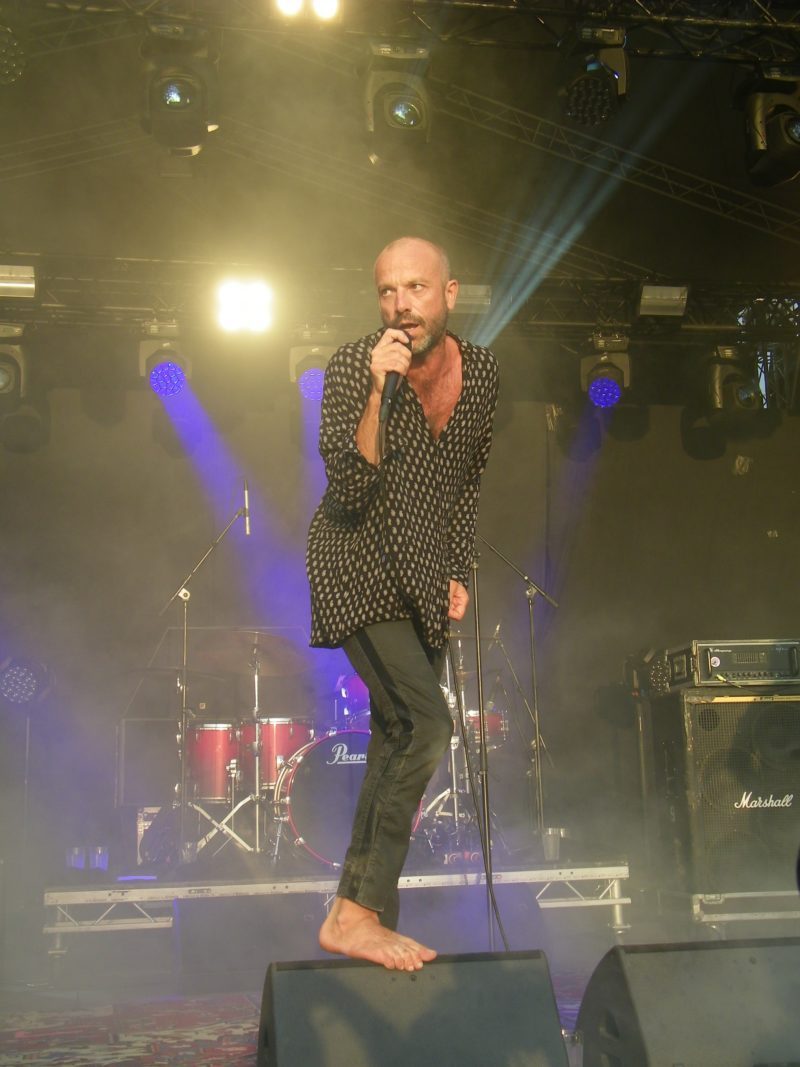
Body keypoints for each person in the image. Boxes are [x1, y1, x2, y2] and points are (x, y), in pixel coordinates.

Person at [306, 236, 498, 970]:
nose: (400, 305)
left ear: (449, 292)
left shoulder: (480, 373)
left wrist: (456, 568)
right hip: (357, 563)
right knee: (425, 724)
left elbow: (464, 483)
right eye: (387, 290)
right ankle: (353, 913)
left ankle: (372, 915)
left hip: (421, 574)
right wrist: (377, 391)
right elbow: (349, 487)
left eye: (415, 288)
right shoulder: (354, 364)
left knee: (397, 736)